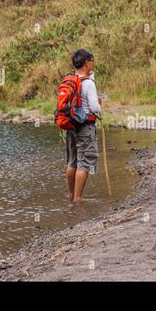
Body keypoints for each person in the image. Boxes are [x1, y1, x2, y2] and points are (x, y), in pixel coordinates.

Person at [66, 49, 102, 202]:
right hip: (85, 127)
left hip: (70, 126)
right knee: (85, 161)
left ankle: (70, 194)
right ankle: (78, 198)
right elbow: (94, 108)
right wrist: (100, 106)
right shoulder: (88, 83)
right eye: (92, 60)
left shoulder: (69, 81)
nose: (93, 63)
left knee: (72, 160)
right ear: (87, 63)